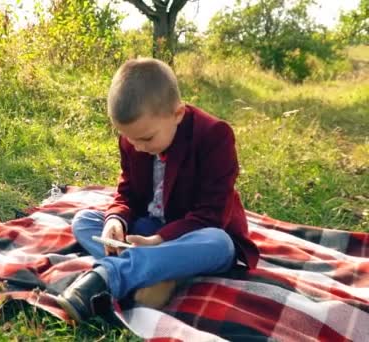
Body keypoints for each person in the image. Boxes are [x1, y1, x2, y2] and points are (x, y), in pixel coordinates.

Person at [55, 58, 260, 323]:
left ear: (178, 114)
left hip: (194, 234)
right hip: (148, 230)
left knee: (219, 243)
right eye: (129, 138)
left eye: (146, 138)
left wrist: (161, 240)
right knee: (84, 221)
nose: (137, 147)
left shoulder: (214, 136)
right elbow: (126, 191)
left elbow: (211, 215)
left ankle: (107, 277)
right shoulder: (135, 137)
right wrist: (115, 220)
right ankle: (161, 274)